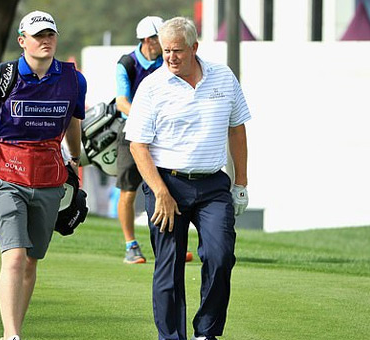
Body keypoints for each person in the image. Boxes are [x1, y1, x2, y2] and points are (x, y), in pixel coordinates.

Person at [0, 10, 86, 340]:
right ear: (22, 41)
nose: (46, 40)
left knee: (30, 261)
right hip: (5, 177)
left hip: (49, 178)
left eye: (51, 35)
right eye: (38, 35)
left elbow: (73, 122)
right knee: (13, 256)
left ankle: (14, 330)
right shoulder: (0, 77)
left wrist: (75, 158)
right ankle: (11, 335)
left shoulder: (73, 79)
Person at [125, 17, 251, 340]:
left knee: (221, 256)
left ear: (195, 48)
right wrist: (160, 192)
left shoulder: (223, 77)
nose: (170, 58)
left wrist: (241, 184)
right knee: (168, 267)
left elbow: (237, 129)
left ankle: (205, 333)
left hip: (212, 185)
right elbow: (138, 146)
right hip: (166, 183)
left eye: (177, 51)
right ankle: (171, 337)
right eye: (165, 51)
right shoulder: (152, 87)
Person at [115, 15, 164, 264]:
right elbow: (121, 101)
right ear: (147, 39)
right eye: (159, 37)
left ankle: (167, 246)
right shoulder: (128, 63)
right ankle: (130, 245)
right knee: (128, 191)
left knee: (165, 187)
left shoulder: (168, 61)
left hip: (162, 134)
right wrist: (145, 117)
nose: (164, 42)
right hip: (130, 134)